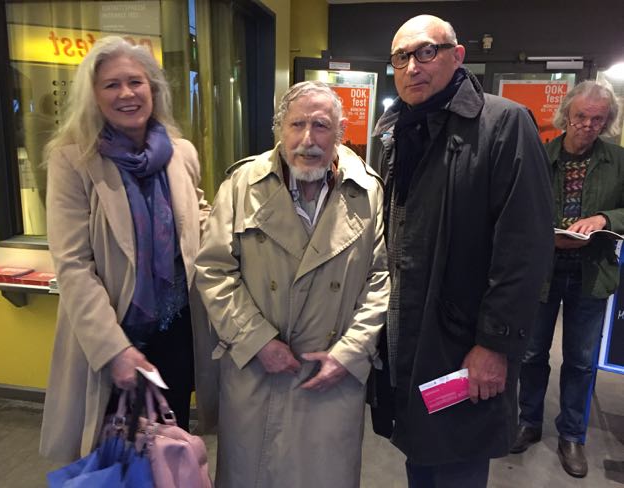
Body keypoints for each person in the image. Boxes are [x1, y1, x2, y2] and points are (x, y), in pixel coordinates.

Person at [370, 15, 554, 487]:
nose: (413, 66)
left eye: (426, 52)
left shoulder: (503, 123)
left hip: (465, 348)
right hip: (412, 342)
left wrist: (496, 346)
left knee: (456, 463)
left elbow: (525, 249)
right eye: (401, 57)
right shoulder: (397, 134)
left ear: (457, 55)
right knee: (421, 458)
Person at [194, 80, 390, 487]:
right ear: (280, 130)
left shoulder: (367, 191)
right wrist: (258, 341)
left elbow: (380, 278)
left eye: (320, 126)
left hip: (330, 377)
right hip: (256, 373)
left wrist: (350, 354)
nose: (307, 139)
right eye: (297, 124)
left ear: (339, 133)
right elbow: (214, 269)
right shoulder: (242, 185)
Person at [39, 36, 213, 463]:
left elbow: (197, 216)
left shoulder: (180, 154)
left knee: (170, 448)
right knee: (115, 454)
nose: (126, 94)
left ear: (153, 88)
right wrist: (115, 350)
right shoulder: (73, 161)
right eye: (111, 85)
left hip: (177, 334)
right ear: (93, 97)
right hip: (113, 336)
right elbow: (73, 265)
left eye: (136, 81)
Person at [512, 81, 624, 478]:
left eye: (598, 119)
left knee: (580, 359)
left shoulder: (618, 160)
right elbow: (518, 209)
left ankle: (573, 435)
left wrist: (605, 219)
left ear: (607, 121)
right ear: (566, 116)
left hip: (592, 271)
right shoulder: (542, 156)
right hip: (543, 269)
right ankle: (528, 421)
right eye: (581, 117)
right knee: (531, 354)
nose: (588, 125)